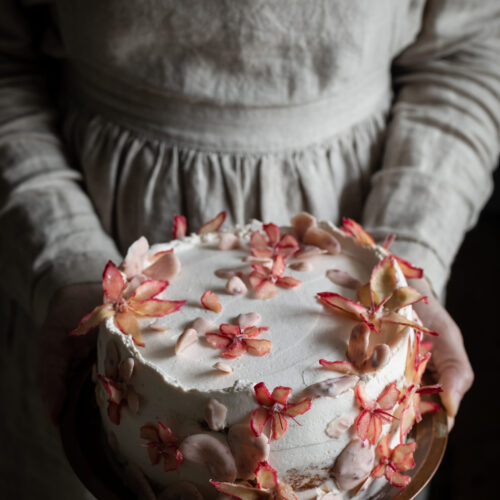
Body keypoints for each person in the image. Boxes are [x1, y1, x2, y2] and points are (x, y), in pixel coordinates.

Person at [1, 1, 498, 498]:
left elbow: (463, 53)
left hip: (369, 223)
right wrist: (64, 254)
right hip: (87, 229)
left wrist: (410, 252)